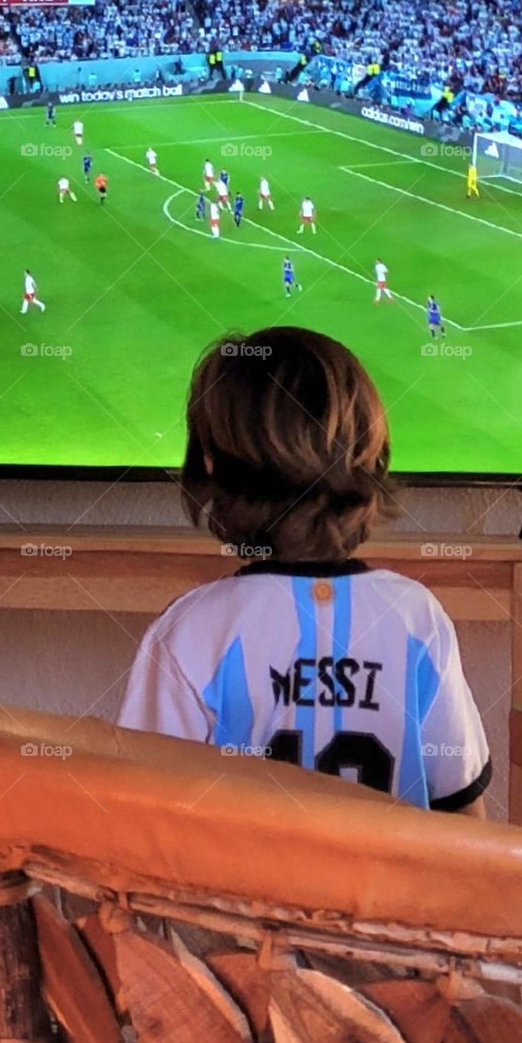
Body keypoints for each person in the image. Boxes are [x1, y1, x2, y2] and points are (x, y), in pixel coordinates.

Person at [118, 327, 490, 817]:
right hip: (388, 896)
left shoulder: (191, 630)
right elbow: (462, 809)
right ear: (370, 457)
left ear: (209, 465)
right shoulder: (416, 617)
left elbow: (139, 818)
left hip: (233, 896)